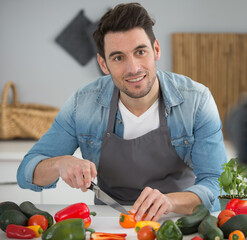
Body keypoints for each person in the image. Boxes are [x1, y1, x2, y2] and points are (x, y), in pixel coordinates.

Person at [17, 2, 227, 221]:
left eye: (140, 52)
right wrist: (59, 164)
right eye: (118, 57)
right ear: (103, 64)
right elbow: (26, 172)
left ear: (155, 50)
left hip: (178, 221)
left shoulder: (197, 100)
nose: (133, 68)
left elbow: (217, 185)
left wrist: (171, 201)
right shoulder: (83, 104)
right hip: (110, 221)